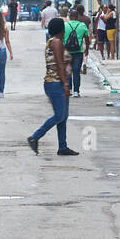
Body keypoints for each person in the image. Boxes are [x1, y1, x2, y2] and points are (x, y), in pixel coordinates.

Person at [27, 18, 79, 157]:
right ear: (61, 29)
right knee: (59, 115)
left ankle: (63, 147)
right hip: (55, 83)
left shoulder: (55, 41)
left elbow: (64, 62)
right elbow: (59, 64)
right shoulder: (56, 42)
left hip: (58, 82)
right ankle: (35, 137)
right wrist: (66, 84)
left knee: (63, 116)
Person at [63, 3, 91, 96]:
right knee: (76, 71)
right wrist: (86, 48)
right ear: (77, 16)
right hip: (78, 51)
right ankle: (76, 91)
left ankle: (69, 89)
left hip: (67, 51)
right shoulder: (82, 25)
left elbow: (61, 37)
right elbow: (86, 38)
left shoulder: (65, 25)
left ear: (70, 17)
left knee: (68, 71)